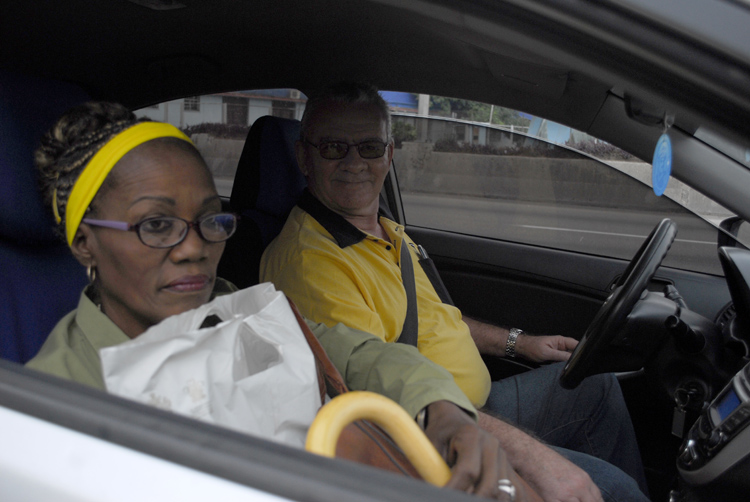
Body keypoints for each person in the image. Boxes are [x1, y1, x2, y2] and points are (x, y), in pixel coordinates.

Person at [25, 101, 528, 500]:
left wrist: (440, 408)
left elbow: (354, 351)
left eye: (211, 219)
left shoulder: (233, 305)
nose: (196, 248)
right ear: (84, 242)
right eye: (157, 225)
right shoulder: (52, 404)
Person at [260, 82, 650, 502]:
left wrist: (518, 343)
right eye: (334, 148)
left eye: (369, 148)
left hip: (474, 406)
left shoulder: (383, 228)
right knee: (616, 490)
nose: (354, 162)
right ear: (304, 157)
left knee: (597, 386)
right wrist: (525, 454)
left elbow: (434, 316)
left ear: (389, 155)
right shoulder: (309, 261)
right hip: (438, 438)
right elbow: (372, 400)